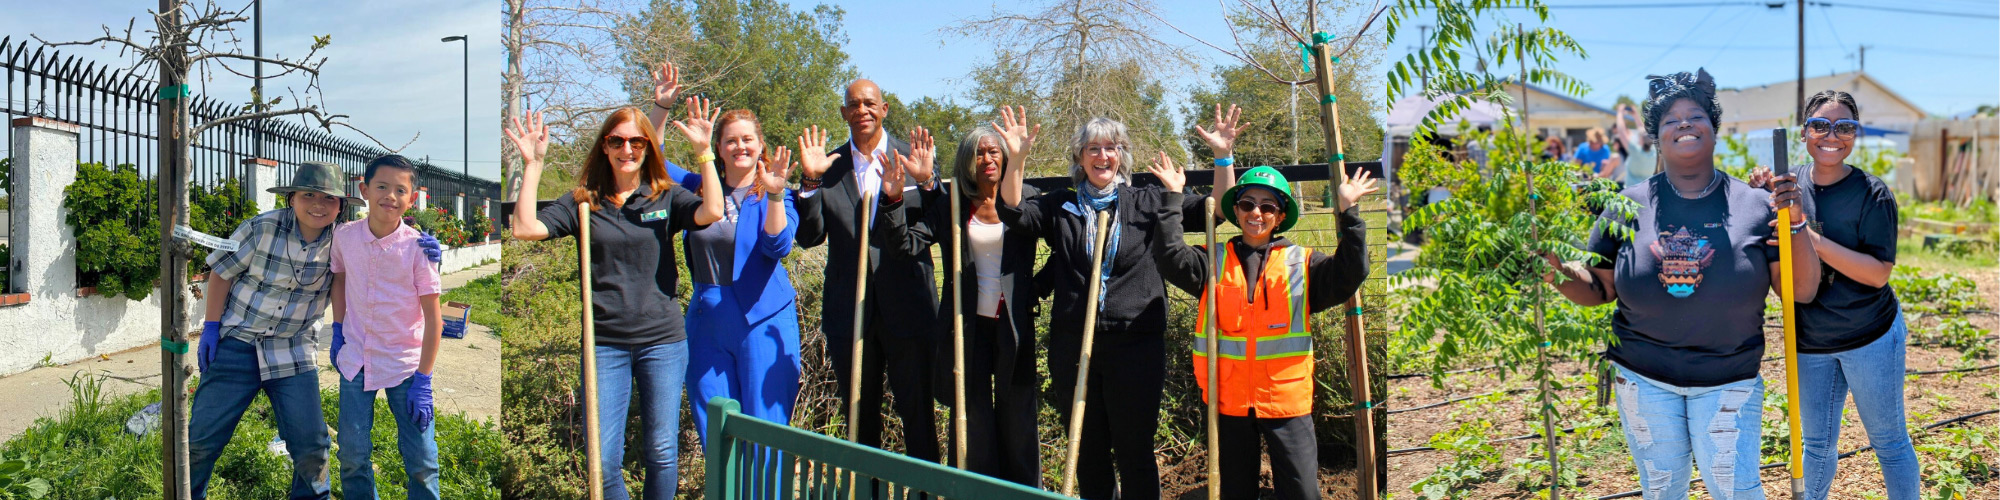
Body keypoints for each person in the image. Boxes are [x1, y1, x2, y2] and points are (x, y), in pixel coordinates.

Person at [1541, 69, 1820, 500]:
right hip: (1643, 379)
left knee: (1737, 492)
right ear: (1655, 135)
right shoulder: (1625, 205)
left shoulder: (1756, 203)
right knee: (1662, 491)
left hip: (1729, 381)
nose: (1684, 123)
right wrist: (1555, 271)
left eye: (1696, 116)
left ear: (1714, 130)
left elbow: (1799, 291)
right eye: (1671, 119)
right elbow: (1599, 289)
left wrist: (1796, 221)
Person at [507, 95, 726, 499]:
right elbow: (524, 227)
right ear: (604, 147)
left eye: (637, 142)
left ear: (647, 148)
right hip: (603, 343)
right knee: (603, 460)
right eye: (617, 141)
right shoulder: (584, 201)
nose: (627, 149)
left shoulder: (666, 196)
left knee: (661, 452)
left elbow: (712, 211)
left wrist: (704, 152)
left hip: (662, 341)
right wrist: (533, 165)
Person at [1150, 111, 1376, 499]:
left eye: (1268, 207)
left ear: (1281, 215)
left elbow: (1351, 272)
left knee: (1302, 492)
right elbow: (1169, 254)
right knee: (1235, 492)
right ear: (1236, 210)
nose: (1257, 213)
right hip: (1228, 401)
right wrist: (1173, 198)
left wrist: (1348, 213)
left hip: (1286, 401)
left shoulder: (1304, 263)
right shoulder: (1212, 261)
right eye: (1248, 204)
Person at [190, 161, 441, 500]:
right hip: (238, 343)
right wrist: (211, 326)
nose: (318, 205)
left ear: (341, 206)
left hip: (293, 349)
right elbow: (221, 272)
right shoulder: (261, 228)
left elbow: (386, 237)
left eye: (329, 199)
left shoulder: (342, 237)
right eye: (309, 195)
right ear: (291, 197)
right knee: (201, 441)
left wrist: (430, 244)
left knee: (311, 446)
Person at [994, 106, 1201, 499]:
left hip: (1135, 343)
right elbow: (1015, 212)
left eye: (1111, 147)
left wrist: (1221, 159)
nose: (1102, 156)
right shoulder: (1061, 205)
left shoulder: (1147, 201)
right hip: (1074, 343)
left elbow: (1218, 210)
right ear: (1079, 157)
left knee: (1134, 448)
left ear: (1122, 155)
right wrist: (1017, 158)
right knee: (1086, 450)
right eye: (1093, 148)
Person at [1749, 90, 1914, 499]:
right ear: (1804, 132)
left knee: (1889, 442)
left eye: (1845, 127)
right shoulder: (1788, 186)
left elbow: (1878, 275)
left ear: (1855, 134)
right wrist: (1760, 189)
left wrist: (1808, 235)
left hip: (1870, 336)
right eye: (1821, 125)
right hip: (1810, 342)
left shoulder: (1872, 194)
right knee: (1817, 445)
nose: (1832, 135)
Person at [875, 124, 1043, 485]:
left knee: (1018, 422)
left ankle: (1025, 494)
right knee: (974, 422)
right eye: (979, 153)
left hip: (1014, 328)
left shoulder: (1026, 197)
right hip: (967, 330)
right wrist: (891, 201)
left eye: (994, 151)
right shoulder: (953, 204)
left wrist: (1035, 290)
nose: (987, 159)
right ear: (968, 162)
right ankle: (975, 491)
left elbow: (1062, 247)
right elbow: (904, 246)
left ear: (1006, 156)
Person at [792, 79, 941, 461]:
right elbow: (810, 237)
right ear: (844, 113)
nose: (862, 111)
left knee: (919, 418)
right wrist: (808, 184)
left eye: (870, 103)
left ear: (884, 108)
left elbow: (937, 222)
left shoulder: (914, 159)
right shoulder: (827, 168)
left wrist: (926, 183)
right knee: (860, 420)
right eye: (854, 105)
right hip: (850, 312)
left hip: (910, 307)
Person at [329, 154, 445, 499]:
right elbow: (339, 279)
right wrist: (338, 329)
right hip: (355, 362)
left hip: (405, 366)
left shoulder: (418, 248)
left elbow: (434, 319)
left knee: (422, 458)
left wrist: (423, 380)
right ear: (364, 189)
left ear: (412, 198)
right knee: (351, 454)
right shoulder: (344, 237)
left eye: (400, 190)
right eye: (381, 186)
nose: (389, 196)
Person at [1613, 103, 1657, 189]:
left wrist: (1619, 113)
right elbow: (1644, 133)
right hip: (1648, 192)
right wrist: (1636, 115)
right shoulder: (1655, 152)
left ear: (1640, 139)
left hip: (1632, 194)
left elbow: (1621, 131)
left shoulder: (1635, 151)